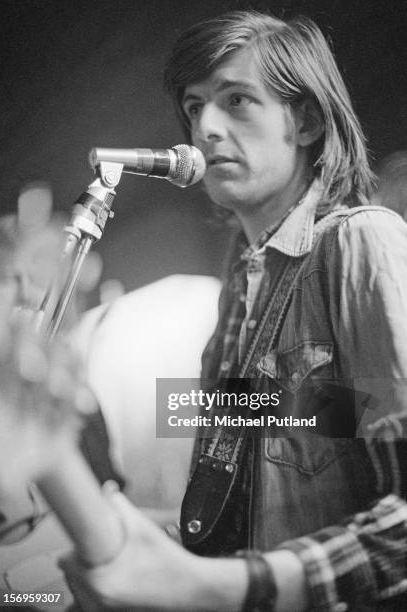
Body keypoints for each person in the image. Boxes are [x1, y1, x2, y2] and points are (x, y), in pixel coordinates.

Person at [60, 10, 407, 611]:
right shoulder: (240, 285)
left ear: (306, 121)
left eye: (238, 100)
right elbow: (273, 482)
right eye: (195, 107)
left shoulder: (362, 242)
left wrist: (228, 587)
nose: (206, 127)